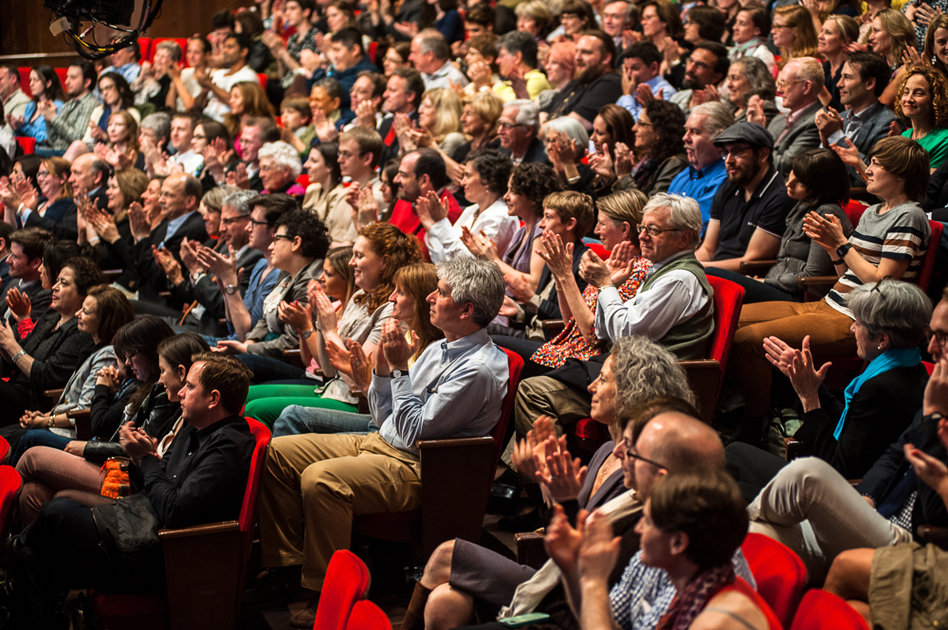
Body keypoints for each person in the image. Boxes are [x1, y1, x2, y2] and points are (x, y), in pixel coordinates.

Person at [253, 257, 508, 627]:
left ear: (467, 309)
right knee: (277, 453)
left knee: (321, 479)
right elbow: (383, 416)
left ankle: (321, 592)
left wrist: (400, 368)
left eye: (442, 292)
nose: (431, 297)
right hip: (381, 441)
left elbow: (414, 431)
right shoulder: (442, 347)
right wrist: (385, 373)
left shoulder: (478, 369)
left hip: (421, 467)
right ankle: (286, 569)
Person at [404, 337, 695, 630]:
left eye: (602, 380)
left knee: (448, 553)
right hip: (557, 575)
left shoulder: (641, 475)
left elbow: (584, 553)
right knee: (445, 601)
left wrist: (560, 497)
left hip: (573, 596)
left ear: (632, 392)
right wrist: (541, 481)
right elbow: (562, 531)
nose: (591, 387)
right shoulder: (607, 450)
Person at [8, 352, 255, 628]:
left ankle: (13, 545)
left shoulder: (226, 446)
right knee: (38, 522)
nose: (180, 390)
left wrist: (141, 457)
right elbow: (157, 474)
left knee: (43, 477)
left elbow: (175, 509)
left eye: (191, 386)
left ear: (213, 399)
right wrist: (137, 454)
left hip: (159, 543)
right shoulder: (193, 425)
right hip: (136, 502)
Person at [731, 136, 931, 424]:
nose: (867, 170)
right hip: (828, 303)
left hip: (857, 319)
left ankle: (757, 422)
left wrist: (841, 245)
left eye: (876, 164)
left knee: (746, 340)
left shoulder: (909, 216)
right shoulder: (874, 211)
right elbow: (849, 276)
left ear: (901, 175)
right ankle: (756, 406)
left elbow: (881, 284)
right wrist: (832, 249)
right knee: (731, 318)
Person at [511, 194, 714, 436]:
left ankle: (547, 472)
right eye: (643, 227)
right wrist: (607, 287)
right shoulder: (657, 269)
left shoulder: (679, 279)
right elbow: (602, 329)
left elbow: (624, 336)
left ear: (684, 238)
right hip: (623, 366)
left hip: (647, 382)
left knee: (529, 388)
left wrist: (605, 286)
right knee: (513, 368)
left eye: (654, 230)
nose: (642, 236)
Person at [243, 223, 422, 425]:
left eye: (359, 256)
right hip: (332, 389)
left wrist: (328, 330)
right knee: (246, 395)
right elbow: (328, 370)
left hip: (356, 402)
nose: (352, 262)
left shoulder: (392, 309)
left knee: (256, 409)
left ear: (384, 261)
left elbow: (359, 380)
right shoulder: (359, 297)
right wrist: (321, 321)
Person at [576, 470, 777, 630]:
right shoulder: (700, 587)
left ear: (678, 543)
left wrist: (593, 580)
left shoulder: (716, 622)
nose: (638, 530)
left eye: (647, 521)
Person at [270, 261, 444, 437]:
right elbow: (330, 370)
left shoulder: (418, 343)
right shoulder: (364, 303)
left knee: (291, 416)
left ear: (421, 299)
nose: (391, 298)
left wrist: (362, 380)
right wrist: (317, 328)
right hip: (375, 418)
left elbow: (402, 415)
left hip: (385, 426)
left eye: (400, 292)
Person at [527, 191, 650, 374]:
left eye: (601, 224)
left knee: (500, 349)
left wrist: (567, 277)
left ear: (624, 229)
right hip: (566, 349)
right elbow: (572, 323)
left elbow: (592, 335)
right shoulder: (608, 264)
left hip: (586, 360)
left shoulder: (638, 271)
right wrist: (561, 279)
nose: (596, 231)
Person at [6, 286, 135, 461]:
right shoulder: (91, 346)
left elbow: (83, 411)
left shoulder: (107, 355)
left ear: (104, 321)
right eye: (81, 308)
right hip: (57, 421)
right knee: (6, 434)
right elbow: (71, 399)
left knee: (19, 438)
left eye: (86, 312)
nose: (77, 314)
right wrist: (44, 415)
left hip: (73, 435)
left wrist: (44, 421)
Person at [708, 149, 853, 303]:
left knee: (710, 274)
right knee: (710, 277)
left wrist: (764, 282)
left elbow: (812, 277)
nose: (789, 182)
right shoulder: (801, 206)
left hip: (796, 295)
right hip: (775, 284)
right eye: (792, 173)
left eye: (801, 181)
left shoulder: (825, 215)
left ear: (819, 186)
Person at [0, 257, 101, 423]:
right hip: (14, 387)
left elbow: (46, 376)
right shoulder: (52, 315)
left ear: (82, 294)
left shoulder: (81, 332)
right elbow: (24, 352)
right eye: (56, 282)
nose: (54, 287)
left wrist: (10, 345)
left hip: (36, 405)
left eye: (63, 283)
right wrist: (5, 343)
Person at [696, 121, 793, 272]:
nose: (729, 161)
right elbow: (707, 250)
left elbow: (749, 262)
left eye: (737, 152)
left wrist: (698, 268)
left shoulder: (779, 196)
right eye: (725, 153)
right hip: (713, 272)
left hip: (748, 280)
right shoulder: (727, 188)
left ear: (763, 155)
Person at [816, 51, 897, 186]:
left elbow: (876, 178)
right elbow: (819, 171)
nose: (838, 84)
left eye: (847, 77)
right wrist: (825, 142)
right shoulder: (839, 118)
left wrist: (836, 135)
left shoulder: (887, 123)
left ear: (869, 83)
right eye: (840, 77)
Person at [420, 149, 515, 264]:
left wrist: (441, 223)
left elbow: (469, 267)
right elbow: (441, 260)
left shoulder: (501, 216)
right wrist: (434, 227)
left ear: (488, 181)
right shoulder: (471, 210)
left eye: (468, 176)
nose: (462, 182)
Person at [668, 102, 733, 233]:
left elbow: (696, 230)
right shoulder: (683, 175)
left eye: (695, 132)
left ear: (719, 140)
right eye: (686, 130)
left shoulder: (725, 179)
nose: (685, 138)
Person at [757, 57, 824, 177]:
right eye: (778, 84)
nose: (779, 90)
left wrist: (758, 138)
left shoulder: (817, 123)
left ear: (806, 87)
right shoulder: (778, 119)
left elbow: (784, 166)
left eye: (783, 83)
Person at [542, 30, 621, 132]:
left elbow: (570, 129)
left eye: (586, 52)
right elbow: (546, 111)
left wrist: (538, 131)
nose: (578, 57)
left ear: (606, 58)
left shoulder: (610, 84)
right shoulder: (578, 83)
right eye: (577, 51)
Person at [895, 64, 948, 170]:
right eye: (906, 92)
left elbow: (928, 184)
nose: (909, 99)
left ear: (935, 99)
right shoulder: (905, 135)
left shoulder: (944, 140)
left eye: (918, 93)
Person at [42, 61, 98, 153]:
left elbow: (77, 138)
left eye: (73, 78)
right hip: (56, 151)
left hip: (70, 155)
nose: (66, 82)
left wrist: (54, 118)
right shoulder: (69, 104)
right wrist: (48, 120)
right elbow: (53, 141)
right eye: (67, 77)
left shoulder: (90, 104)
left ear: (87, 82)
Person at [616, 42, 676, 122]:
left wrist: (627, 95)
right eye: (626, 69)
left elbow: (639, 127)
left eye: (635, 68)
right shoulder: (632, 89)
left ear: (654, 68)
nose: (629, 74)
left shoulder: (665, 92)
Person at [8, 67, 64, 147]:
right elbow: (23, 136)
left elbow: (48, 139)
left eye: (36, 80)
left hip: (45, 152)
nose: (31, 84)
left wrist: (24, 127)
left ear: (48, 83)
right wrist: (17, 127)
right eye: (30, 80)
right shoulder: (31, 105)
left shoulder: (57, 106)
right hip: (27, 150)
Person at [493, 31, 551, 103]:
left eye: (501, 55)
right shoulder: (505, 84)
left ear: (517, 57)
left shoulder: (536, 80)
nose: (497, 61)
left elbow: (515, 109)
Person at [818, 15, 860, 112]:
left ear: (845, 41)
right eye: (821, 31)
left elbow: (845, 114)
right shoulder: (824, 67)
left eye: (828, 33)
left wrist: (819, 89)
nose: (820, 36)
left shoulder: (852, 71)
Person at [726, 57, 778, 125]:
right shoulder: (731, 108)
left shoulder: (763, 109)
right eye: (728, 79)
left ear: (754, 81)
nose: (729, 85)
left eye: (735, 78)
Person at [496, 100, 547, 165]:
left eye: (506, 126)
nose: (499, 131)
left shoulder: (541, 161)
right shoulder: (501, 150)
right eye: (499, 123)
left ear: (528, 131)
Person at [728, 7, 776, 73]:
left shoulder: (762, 55)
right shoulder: (736, 51)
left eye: (742, 23)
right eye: (736, 22)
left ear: (757, 30)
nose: (734, 27)